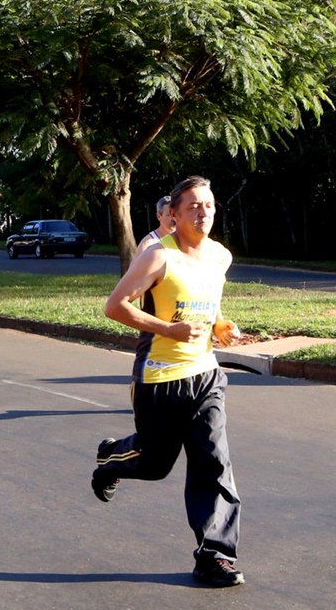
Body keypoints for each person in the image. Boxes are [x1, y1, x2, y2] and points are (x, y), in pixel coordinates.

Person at [92, 175, 245, 588]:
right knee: (155, 464)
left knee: (214, 462)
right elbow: (115, 306)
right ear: (173, 215)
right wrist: (168, 329)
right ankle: (110, 458)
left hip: (206, 375)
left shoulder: (220, 256)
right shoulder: (158, 257)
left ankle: (214, 556)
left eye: (208, 204)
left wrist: (220, 325)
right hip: (160, 378)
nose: (203, 212)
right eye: (193, 206)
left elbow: (208, 304)